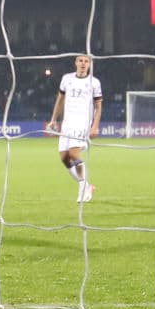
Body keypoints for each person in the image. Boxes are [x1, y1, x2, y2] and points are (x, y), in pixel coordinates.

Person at [47, 54, 102, 203]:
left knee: (74, 155)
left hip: (82, 123)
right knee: (64, 159)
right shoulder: (67, 79)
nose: (83, 63)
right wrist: (53, 120)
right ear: (76, 63)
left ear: (89, 65)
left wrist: (95, 126)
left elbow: (98, 106)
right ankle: (87, 186)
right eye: (81, 61)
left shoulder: (94, 83)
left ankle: (83, 189)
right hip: (67, 123)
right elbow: (60, 99)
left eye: (86, 61)